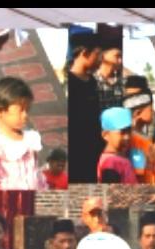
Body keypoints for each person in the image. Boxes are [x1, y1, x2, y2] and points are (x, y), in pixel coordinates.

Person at [67, 30, 103, 184]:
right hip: (76, 151)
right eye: (98, 54)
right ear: (84, 53)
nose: (100, 59)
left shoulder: (92, 81)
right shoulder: (69, 82)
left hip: (94, 150)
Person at [97, 107, 137, 184]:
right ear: (106, 135)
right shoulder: (110, 162)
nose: (127, 137)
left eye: (129, 131)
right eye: (122, 133)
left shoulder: (117, 157)